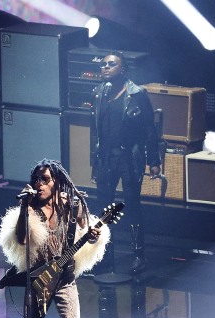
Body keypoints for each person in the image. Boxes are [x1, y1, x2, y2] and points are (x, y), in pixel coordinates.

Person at [0, 159, 109, 318]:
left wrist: (92, 235)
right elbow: (22, 239)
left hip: (65, 281)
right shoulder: (30, 207)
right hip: (37, 280)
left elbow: (87, 229)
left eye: (45, 179)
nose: (39, 184)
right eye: (36, 179)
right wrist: (25, 206)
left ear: (56, 181)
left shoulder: (71, 205)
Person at [90, 51, 160, 275]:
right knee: (103, 208)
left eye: (111, 64)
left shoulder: (136, 94)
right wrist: (95, 162)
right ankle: (104, 257)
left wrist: (154, 161)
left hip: (129, 158)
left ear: (122, 68)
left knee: (132, 204)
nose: (106, 67)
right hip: (106, 158)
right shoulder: (100, 92)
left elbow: (150, 129)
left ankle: (138, 255)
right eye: (104, 64)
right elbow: (97, 132)